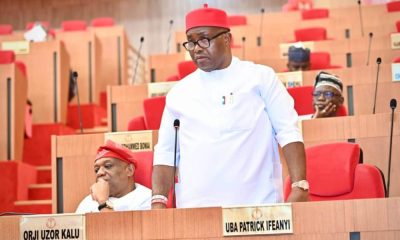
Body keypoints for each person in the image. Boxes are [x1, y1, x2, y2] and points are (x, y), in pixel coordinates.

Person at [151, 4, 308, 209]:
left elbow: (288, 132)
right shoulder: (179, 94)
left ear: (226, 38)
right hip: (195, 212)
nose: (197, 48)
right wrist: (159, 201)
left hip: (258, 209)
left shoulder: (260, 78)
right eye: (191, 42)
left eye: (204, 39)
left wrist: (299, 185)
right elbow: (166, 152)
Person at [76, 140, 151, 213]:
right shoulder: (88, 201)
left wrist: (103, 202)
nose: (99, 173)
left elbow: (117, 226)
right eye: (96, 170)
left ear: (129, 170)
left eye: (108, 166)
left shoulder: (147, 199)